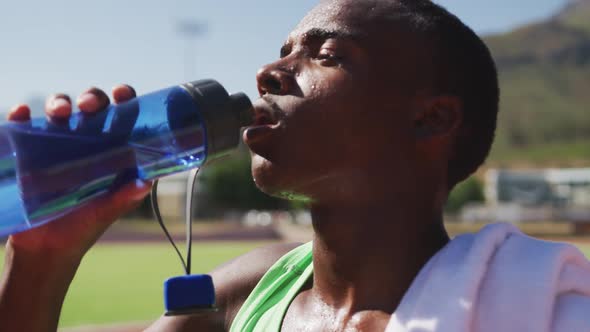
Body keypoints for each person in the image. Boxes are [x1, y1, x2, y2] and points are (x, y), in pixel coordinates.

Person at [1, 0, 589, 331]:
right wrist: (42, 263)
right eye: (282, 51)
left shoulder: (548, 308)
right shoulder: (237, 298)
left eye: (326, 55)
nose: (268, 72)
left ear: (432, 120)